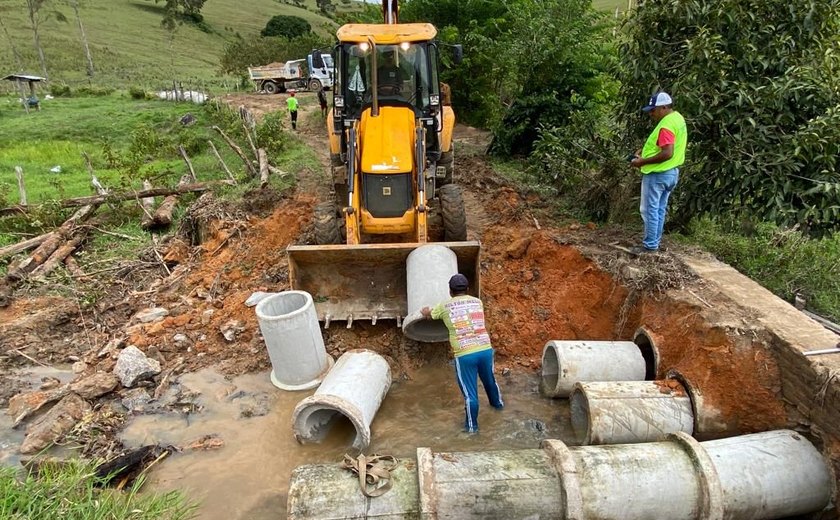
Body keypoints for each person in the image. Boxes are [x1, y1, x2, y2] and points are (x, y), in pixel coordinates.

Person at [421, 274, 504, 434]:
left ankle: (472, 430)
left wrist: (425, 311)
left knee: (470, 394)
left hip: (465, 354)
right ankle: (498, 408)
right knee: (490, 382)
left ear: (450, 291)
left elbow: (430, 315)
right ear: (467, 289)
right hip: (485, 349)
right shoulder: (477, 302)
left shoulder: (445, 306)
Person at [629, 91, 688, 254]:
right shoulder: (677, 119)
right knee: (659, 209)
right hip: (671, 173)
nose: (651, 114)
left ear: (663, 107)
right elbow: (666, 146)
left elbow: (667, 152)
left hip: (658, 174)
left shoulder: (666, 125)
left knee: (649, 209)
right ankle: (654, 242)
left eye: (653, 110)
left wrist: (642, 161)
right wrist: (645, 152)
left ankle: (649, 246)